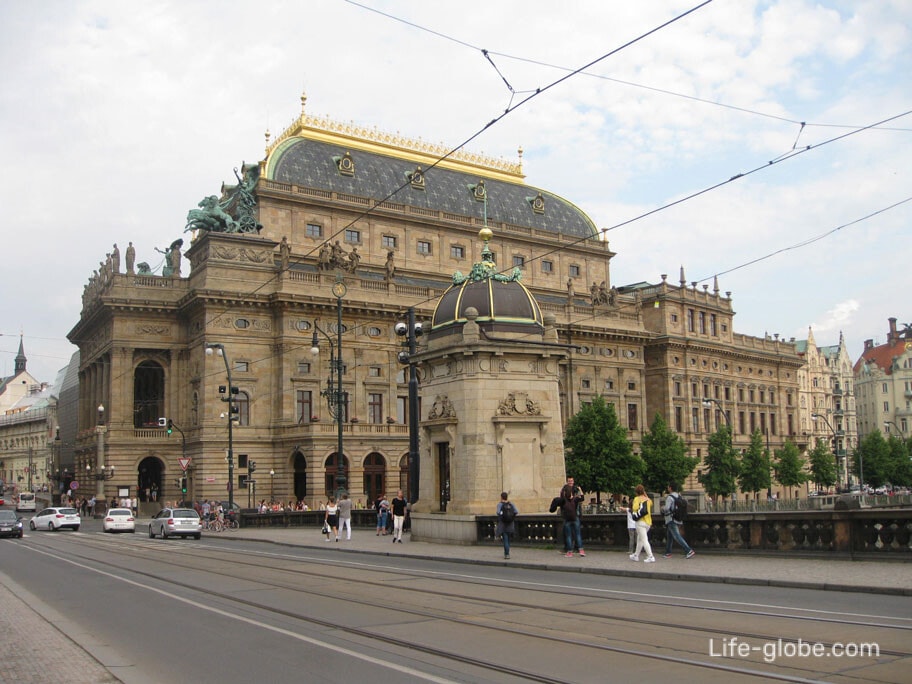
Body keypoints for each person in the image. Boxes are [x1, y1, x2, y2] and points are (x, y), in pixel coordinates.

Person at [622, 484, 656, 563]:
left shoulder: (637, 499)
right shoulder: (647, 500)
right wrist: (645, 494)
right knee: (640, 539)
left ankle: (650, 556)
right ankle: (636, 555)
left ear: (636, 492)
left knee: (644, 540)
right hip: (648, 522)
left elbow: (634, 508)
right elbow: (651, 503)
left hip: (640, 522)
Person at [661, 483, 695, 559]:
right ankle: (668, 552)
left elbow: (667, 508)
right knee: (669, 536)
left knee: (677, 536)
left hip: (671, 519)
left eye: (668, 487)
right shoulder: (679, 496)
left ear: (670, 488)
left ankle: (689, 550)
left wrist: (662, 508)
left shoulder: (670, 497)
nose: (668, 488)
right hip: (678, 518)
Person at [559, 477, 585, 557]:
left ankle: (569, 552)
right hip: (575, 517)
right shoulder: (575, 499)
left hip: (568, 518)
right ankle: (581, 550)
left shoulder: (564, 500)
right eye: (569, 481)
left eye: (571, 481)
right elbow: (582, 498)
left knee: (568, 535)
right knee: (577, 534)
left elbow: (560, 500)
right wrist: (580, 490)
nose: (570, 482)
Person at [496, 492, 517, 559]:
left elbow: (498, 512)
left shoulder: (500, 504)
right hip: (510, 523)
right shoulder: (511, 504)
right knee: (508, 538)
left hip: (503, 524)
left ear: (501, 497)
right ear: (507, 497)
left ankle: (507, 553)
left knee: (505, 539)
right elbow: (516, 511)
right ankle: (508, 551)